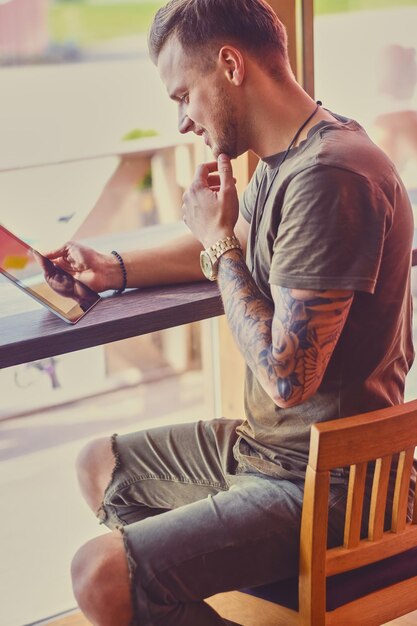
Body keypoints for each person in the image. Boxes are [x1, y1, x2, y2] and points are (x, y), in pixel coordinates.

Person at [46, 1, 414, 625]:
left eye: (183, 95)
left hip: (329, 486)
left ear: (230, 65)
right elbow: (224, 243)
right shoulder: (291, 156)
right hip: (267, 451)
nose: (183, 121)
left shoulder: (331, 177)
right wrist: (111, 267)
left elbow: (288, 377)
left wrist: (219, 247)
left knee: (99, 575)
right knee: (100, 466)